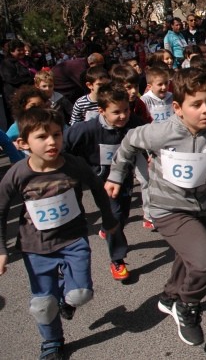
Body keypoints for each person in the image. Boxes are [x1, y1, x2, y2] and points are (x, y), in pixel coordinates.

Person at [106, 68, 206, 347]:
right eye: (196, 104)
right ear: (178, 108)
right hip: (167, 208)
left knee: (187, 257)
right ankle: (187, 305)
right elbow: (130, 141)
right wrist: (116, 174)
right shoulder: (161, 132)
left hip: (203, 207)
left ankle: (169, 297)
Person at [0, 108, 118, 360]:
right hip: (36, 247)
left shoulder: (74, 165)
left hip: (73, 240)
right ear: (22, 143)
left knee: (81, 294)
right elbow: (0, 209)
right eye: (42, 137)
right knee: (43, 305)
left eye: (56, 134)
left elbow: (97, 188)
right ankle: (52, 342)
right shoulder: (18, 174)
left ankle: (66, 300)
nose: (52, 142)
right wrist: (1, 250)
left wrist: (108, 221)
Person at [63, 86, 144, 282]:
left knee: (121, 215)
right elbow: (64, 146)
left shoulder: (133, 122)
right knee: (114, 216)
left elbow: (148, 137)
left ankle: (108, 229)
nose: (123, 116)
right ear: (102, 111)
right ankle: (117, 259)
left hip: (122, 179)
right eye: (116, 112)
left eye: (126, 110)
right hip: (97, 179)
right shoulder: (86, 129)